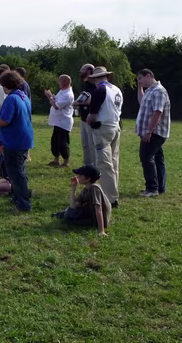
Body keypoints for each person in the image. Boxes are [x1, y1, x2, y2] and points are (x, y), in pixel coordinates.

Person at [0, 70, 34, 211]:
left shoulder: (11, 99)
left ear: (6, 84)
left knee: (16, 174)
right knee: (20, 171)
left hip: (14, 141)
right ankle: (18, 197)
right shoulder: (23, 96)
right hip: (24, 139)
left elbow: (5, 121)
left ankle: (23, 204)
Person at [87, 66, 123, 208]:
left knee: (104, 163)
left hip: (103, 128)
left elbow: (93, 115)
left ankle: (110, 198)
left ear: (96, 79)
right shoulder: (117, 90)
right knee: (114, 162)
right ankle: (114, 192)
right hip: (115, 126)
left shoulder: (100, 91)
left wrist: (89, 121)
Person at [136, 69, 171, 197]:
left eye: (140, 79)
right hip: (152, 132)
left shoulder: (159, 91)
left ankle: (152, 189)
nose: (139, 82)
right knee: (157, 159)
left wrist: (149, 131)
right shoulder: (150, 91)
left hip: (155, 132)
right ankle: (160, 187)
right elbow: (142, 102)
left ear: (149, 76)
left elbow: (158, 112)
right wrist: (139, 88)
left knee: (146, 158)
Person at [52, 165, 111, 237]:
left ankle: (62, 214)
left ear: (88, 178)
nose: (77, 177)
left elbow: (98, 209)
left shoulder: (94, 188)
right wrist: (74, 187)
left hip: (95, 221)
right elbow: (73, 205)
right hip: (88, 214)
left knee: (69, 215)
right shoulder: (85, 189)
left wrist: (101, 231)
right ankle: (62, 214)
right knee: (70, 211)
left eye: (80, 175)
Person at [44, 75, 75, 167]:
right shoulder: (62, 91)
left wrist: (50, 97)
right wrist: (52, 97)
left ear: (65, 82)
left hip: (63, 122)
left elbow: (56, 106)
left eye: (59, 81)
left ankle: (66, 161)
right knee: (55, 142)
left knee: (62, 143)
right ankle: (56, 160)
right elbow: (56, 100)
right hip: (57, 122)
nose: (58, 83)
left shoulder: (68, 94)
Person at [73, 64, 97, 167]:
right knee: (85, 144)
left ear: (88, 71)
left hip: (90, 118)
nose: (80, 72)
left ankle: (94, 167)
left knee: (92, 145)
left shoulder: (93, 84)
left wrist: (78, 102)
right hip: (83, 118)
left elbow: (90, 100)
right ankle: (87, 165)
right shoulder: (85, 85)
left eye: (82, 70)